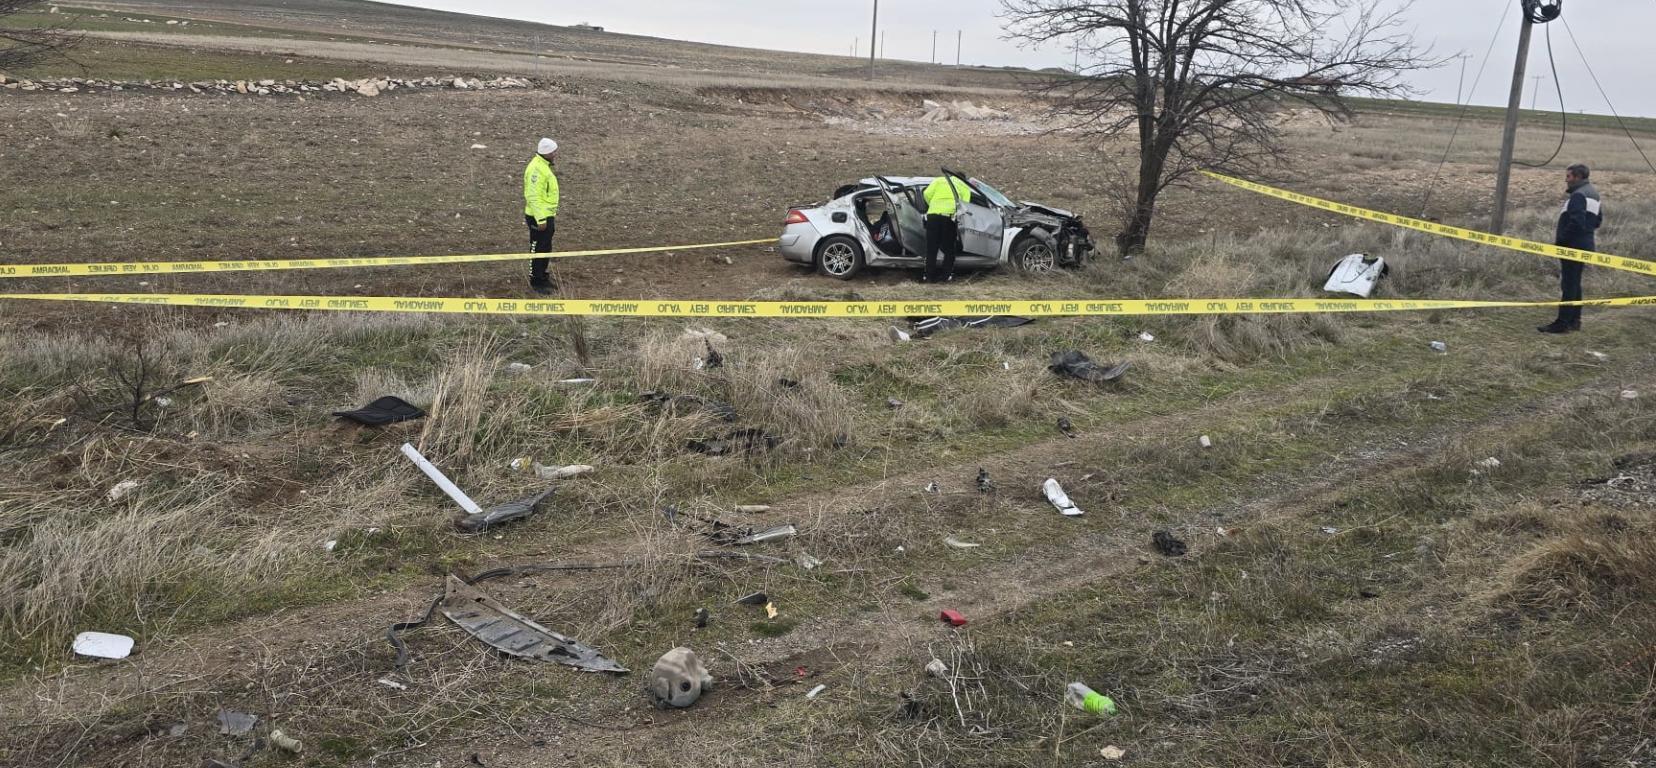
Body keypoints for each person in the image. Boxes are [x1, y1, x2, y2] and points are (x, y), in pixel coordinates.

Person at [1539, 163, 1603, 334]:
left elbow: (1576, 222)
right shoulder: (1594, 194)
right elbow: (1598, 221)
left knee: (1568, 284)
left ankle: (1562, 323)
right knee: (1575, 283)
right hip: (1584, 244)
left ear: (1578, 177)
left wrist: (1562, 239)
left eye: (1569, 176)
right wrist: (1586, 234)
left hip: (1572, 246)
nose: (1566, 180)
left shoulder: (1578, 195)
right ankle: (1575, 321)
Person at [523, 137, 561, 295]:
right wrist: (541, 219)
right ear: (546, 152)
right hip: (539, 218)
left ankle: (543, 277)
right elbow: (532, 196)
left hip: (546, 216)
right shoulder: (536, 169)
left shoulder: (543, 166)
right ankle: (536, 282)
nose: (555, 154)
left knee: (545, 247)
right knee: (537, 248)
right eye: (553, 152)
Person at [921, 173, 973, 283]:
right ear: (963, 179)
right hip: (948, 217)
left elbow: (926, 194)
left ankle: (928, 277)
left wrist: (932, 205)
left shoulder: (939, 180)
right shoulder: (963, 185)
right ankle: (946, 276)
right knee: (949, 249)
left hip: (933, 216)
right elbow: (965, 205)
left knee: (931, 248)